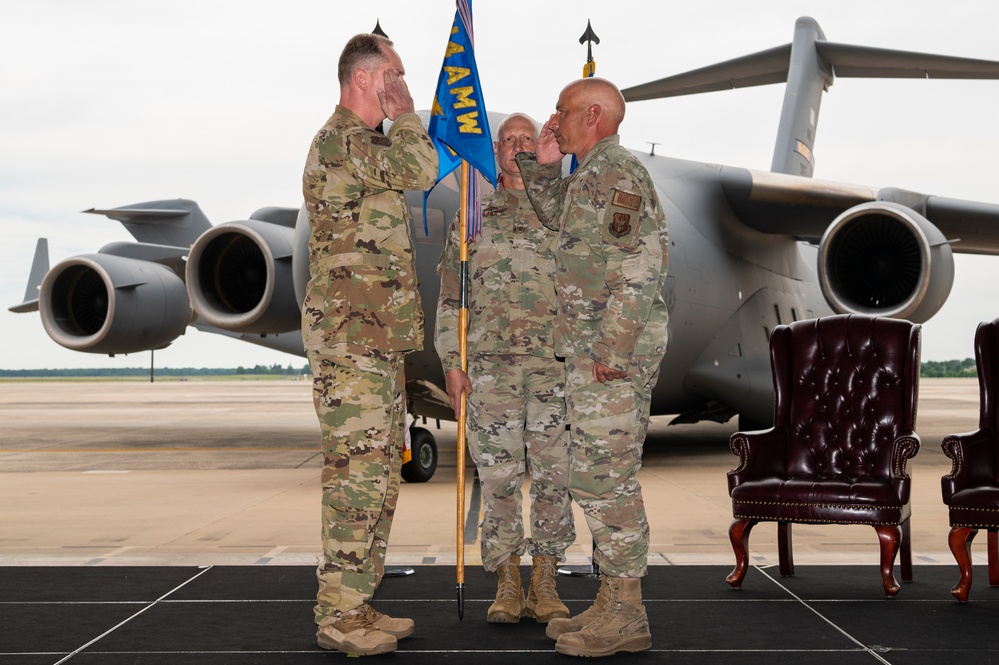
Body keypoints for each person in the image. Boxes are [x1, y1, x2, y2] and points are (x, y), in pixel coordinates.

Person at [515, 77, 669, 658]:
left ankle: (628, 614)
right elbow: (565, 229)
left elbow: (640, 265)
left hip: (610, 357)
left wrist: (613, 348)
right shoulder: (590, 175)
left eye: (563, 111)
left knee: (608, 479)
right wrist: (546, 165)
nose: (554, 119)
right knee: (594, 477)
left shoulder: (617, 172)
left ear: (595, 114)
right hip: (591, 352)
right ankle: (611, 600)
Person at [300, 33, 437, 657]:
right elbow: (421, 168)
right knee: (356, 476)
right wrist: (408, 113)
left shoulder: (364, 147)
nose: (402, 84)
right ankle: (337, 614)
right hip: (351, 341)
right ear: (368, 78)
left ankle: (356, 604)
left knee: (380, 475)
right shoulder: (343, 143)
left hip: (373, 340)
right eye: (397, 74)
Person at [434, 113, 575, 625]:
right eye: (507, 140)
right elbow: (452, 298)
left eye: (525, 139)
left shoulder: (562, 212)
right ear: (494, 152)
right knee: (497, 480)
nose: (516, 146)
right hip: (490, 374)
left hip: (552, 370)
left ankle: (546, 581)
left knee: (554, 479)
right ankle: (507, 582)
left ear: (539, 149)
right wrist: (452, 362)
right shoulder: (471, 221)